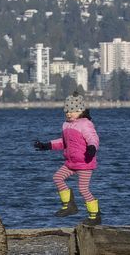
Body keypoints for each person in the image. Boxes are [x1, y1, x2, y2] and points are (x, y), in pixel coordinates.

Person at [33, 92, 101, 224]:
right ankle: (69, 206)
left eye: (73, 111)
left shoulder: (85, 124)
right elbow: (63, 142)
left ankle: (95, 215)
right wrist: (47, 145)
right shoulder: (66, 125)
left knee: (83, 189)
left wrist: (92, 148)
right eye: (67, 111)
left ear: (81, 110)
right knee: (57, 178)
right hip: (71, 163)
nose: (69, 113)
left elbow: (93, 138)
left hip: (85, 163)